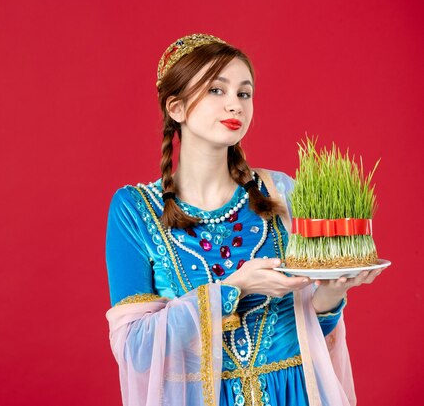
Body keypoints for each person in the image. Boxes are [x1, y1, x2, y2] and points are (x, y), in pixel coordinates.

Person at [104, 34, 383, 406]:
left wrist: (334, 292)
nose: (234, 104)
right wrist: (234, 287)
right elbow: (136, 348)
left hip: (294, 394)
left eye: (244, 93)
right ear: (176, 108)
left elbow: (309, 326)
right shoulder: (135, 209)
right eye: (216, 90)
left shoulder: (282, 193)